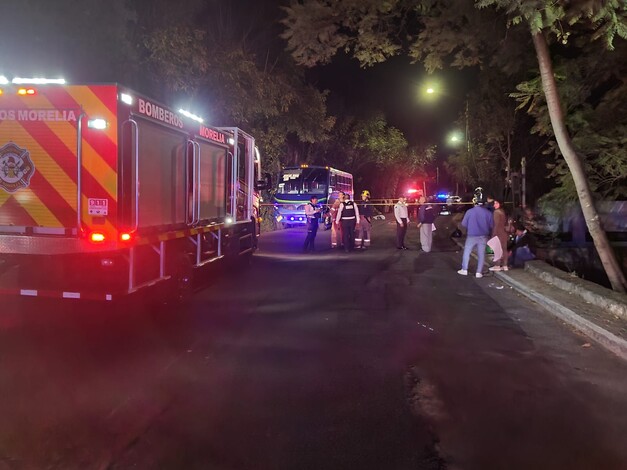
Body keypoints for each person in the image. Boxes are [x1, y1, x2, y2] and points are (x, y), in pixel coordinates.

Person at [458, 194, 494, 278]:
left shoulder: (469, 212)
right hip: (483, 236)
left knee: (467, 252)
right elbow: (491, 225)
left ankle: (464, 269)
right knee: (481, 254)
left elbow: (463, 223)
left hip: (472, 235)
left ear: (475, 203)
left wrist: (471, 226)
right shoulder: (488, 213)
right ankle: (479, 272)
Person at [488, 199, 509, 271]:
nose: (494, 205)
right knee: (504, 249)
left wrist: (493, 235)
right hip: (504, 233)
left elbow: (496, 225)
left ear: (500, 204)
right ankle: (505, 266)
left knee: (497, 250)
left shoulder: (496, 212)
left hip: (498, 233)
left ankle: (497, 266)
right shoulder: (503, 212)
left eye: (496, 203)